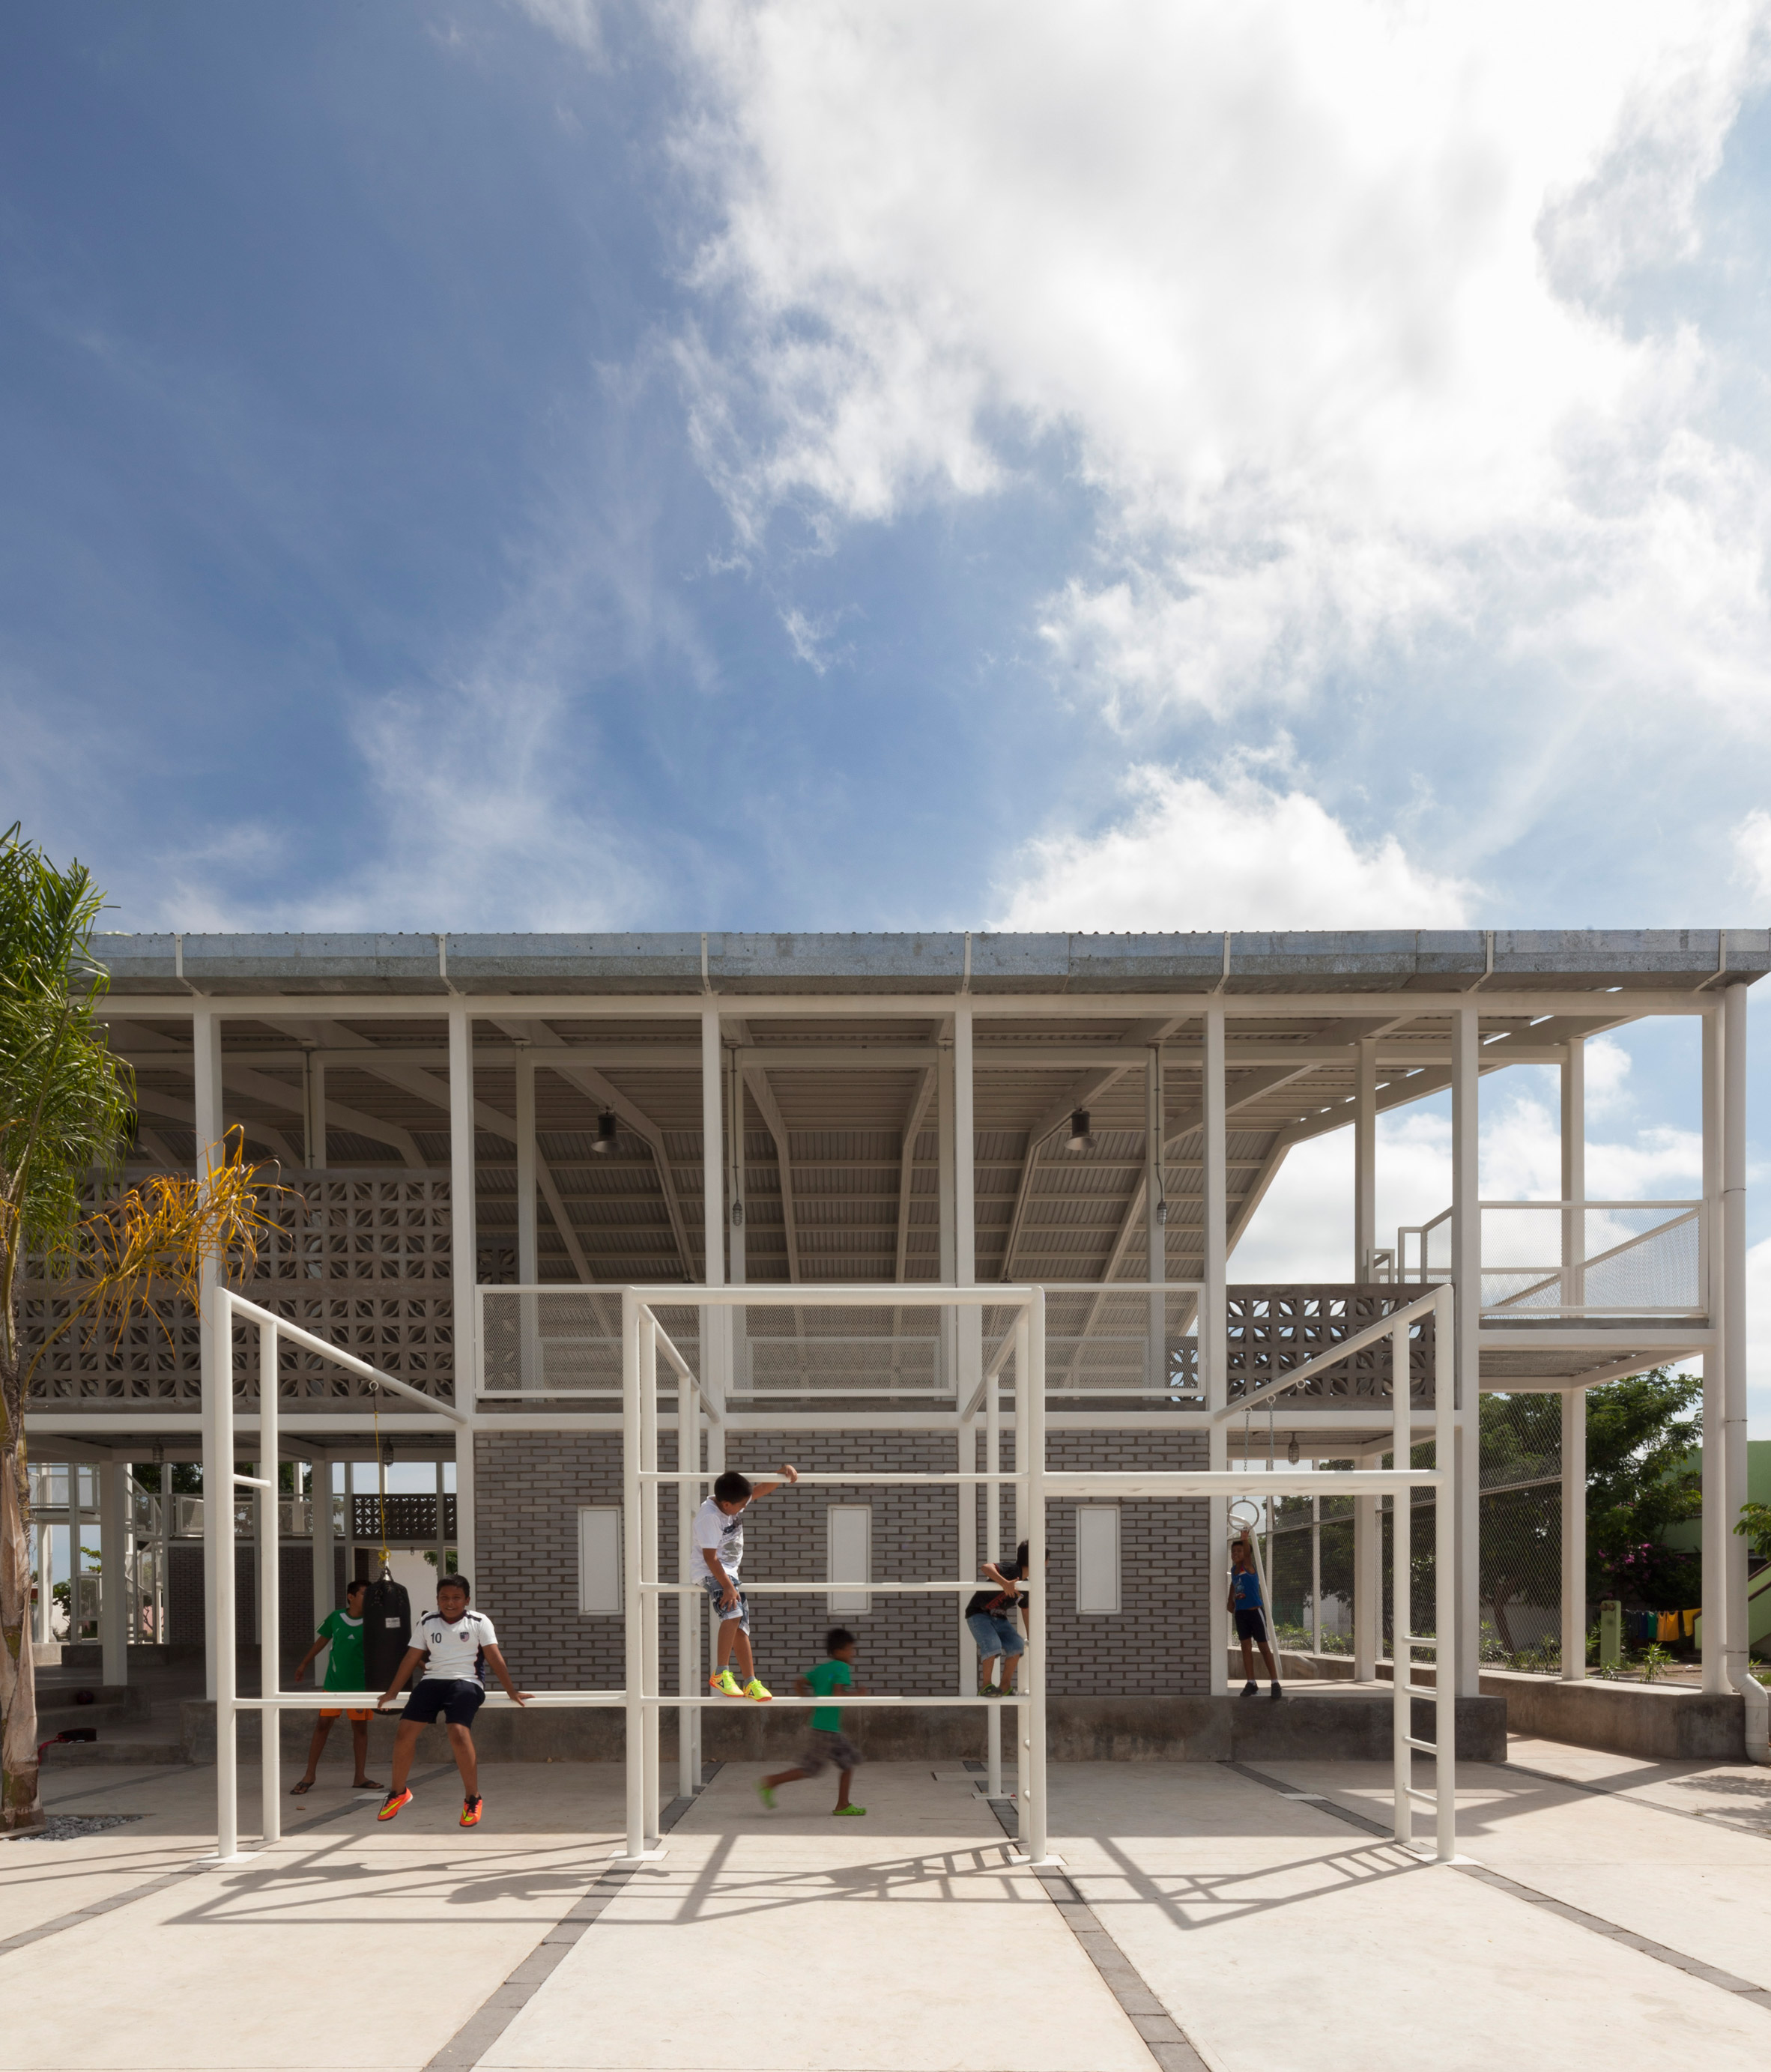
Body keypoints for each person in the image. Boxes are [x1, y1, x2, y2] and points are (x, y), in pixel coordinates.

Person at [374, 1574, 528, 1827]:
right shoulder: (427, 1621)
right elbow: (411, 1658)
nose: (450, 1602)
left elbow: (494, 1658)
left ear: (466, 1600)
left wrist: (511, 1691)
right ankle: (398, 1793)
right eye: (444, 1597)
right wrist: (392, 1692)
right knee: (404, 1732)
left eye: (456, 1598)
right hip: (433, 1681)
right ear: (437, 1599)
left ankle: (472, 1798)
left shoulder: (479, 1621)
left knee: (457, 1730)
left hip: (467, 1682)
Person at [695, 1464, 800, 1700]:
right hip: (712, 1572)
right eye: (742, 1506)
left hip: (729, 1574)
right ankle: (721, 1673)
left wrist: (782, 1472)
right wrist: (729, 1587)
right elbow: (709, 1558)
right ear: (726, 1505)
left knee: (741, 1626)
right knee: (732, 1615)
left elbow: (763, 1488)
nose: (744, 1508)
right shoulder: (710, 1517)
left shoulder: (731, 1501)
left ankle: (750, 1681)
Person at [756, 1629, 867, 1817]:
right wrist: (859, 1695)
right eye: (850, 1649)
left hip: (826, 1727)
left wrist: (808, 1703)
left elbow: (798, 1683)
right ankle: (771, 1782)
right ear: (839, 1651)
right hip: (826, 1730)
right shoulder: (842, 1668)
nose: (853, 1654)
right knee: (811, 1769)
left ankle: (843, 1805)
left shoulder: (822, 1669)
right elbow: (837, 1695)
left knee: (849, 1762)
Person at [289, 1577, 381, 1795]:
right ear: (351, 1597)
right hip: (334, 1685)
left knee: (360, 1729)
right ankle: (309, 1774)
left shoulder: (373, 1620)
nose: (367, 1598)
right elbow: (321, 1641)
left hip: (361, 1687)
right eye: (363, 1594)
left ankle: (360, 1777)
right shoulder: (336, 1617)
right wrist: (303, 1664)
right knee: (323, 1725)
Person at [966, 1540, 1030, 1695]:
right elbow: (986, 1567)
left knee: (1016, 1645)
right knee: (992, 1644)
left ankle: (1005, 1686)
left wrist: (1031, 1634)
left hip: (999, 1617)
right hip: (979, 1613)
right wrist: (1005, 1583)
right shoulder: (1011, 1570)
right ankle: (986, 1686)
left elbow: (1025, 1609)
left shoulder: (1026, 1585)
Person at [1229, 1535, 1283, 1699]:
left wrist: (1245, 1539)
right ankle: (1251, 1682)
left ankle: (1275, 1683)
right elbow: (1234, 1582)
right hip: (1241, 1614)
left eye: (1240, 1551)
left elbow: (1247, 1554)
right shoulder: (1234, 1570)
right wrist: (1229, 1600)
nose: (1236, 1553)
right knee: (1245, 1648)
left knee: (1264, 1648)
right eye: (1234, 1551)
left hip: (1255, 1612)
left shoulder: (1248, 1567)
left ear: (1246, 1554)